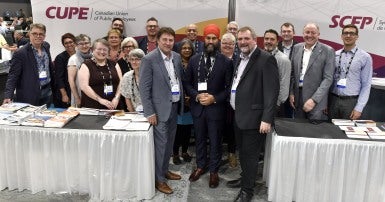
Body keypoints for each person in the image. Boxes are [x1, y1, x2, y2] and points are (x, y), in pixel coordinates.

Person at [230, 26, 279, 202]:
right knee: (242, 153)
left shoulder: (266, 59)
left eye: (246, 39)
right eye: (240, 39)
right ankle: (245, 179)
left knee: (250, 156)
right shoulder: (239, 58)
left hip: (255, 118)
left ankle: (247, 191)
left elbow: (272, 92)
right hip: (238, 115)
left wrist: (267, 119)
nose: (242, 42)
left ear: (254, 39)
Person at [184, 24, 233, 188]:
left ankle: (213, 171)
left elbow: (228, 88)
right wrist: (197, 96)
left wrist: (214, 98)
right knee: (199, 139)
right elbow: (187, 83)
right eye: (208, 38)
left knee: (215, 141)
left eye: (213, 38)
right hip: (198, 109)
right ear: (203, 39)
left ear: (218, 40)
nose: (210, 41)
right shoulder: (194, 59)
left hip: (216, 109)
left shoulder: (226, 62)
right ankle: (200, 166)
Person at [139, 27, 184, 194]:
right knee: (161, 146)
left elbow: (177, 80)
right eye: (164, 39)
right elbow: (144, 89)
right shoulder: (149, 59)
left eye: (171, 40)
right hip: (158, 111)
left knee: (169, 144)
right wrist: (149, 112)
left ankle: (165, 170)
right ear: (157, 40)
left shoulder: (177, 57)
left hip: (174, 106)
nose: (168, 43)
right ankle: (159, 180)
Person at [289, 23, 335, 121]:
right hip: (297, 98)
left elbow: (328, 79)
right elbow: (292, 74)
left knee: (314, 133)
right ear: (303, 33)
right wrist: (291, 93)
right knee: (298, 130)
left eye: (313, 33)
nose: (309, 35)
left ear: (318, 34)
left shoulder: (328, 51)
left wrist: (314, 100)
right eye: (307, 32)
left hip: (316, 102)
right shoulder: (296, 48)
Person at [3, 23, 54, 106]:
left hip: (47, 91)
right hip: (29, 94)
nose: (38, 36)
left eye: (41, 34)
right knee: (31, 118)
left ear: (44, 36)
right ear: (29, 34)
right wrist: (8, 96)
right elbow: (13, 76)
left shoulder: (46, 46)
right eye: (35, 33)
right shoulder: (20, 53)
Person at [329, 24, 372, 120]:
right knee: (331, 131)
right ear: (341, 36)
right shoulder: (335, 55)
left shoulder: (365, 57)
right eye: (346, 33)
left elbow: (366, 85)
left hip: (351, 102)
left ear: (357, 37)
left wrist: (359, 108)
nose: (348, 36)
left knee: (347, 132)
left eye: (352, 33)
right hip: (333, 100)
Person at [78, 38, 122, 109]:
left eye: (105, 50)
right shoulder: (86, 65)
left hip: (114, 104)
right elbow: (84, 86)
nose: (102, 52)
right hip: (93, 106)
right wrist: (100, 100)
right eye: (99, 49)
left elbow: (121, 82)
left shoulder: (114, 64)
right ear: (93, 50)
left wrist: (116, 98)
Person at [172, 38, 194, 165]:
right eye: (184, 48)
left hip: (191, 102)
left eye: (189, 48)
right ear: (179, 50)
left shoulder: (196, 62)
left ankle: (184, 151)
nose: (186, 50)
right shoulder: (175, 63)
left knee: (187, 130)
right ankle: (175, 153)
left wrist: (191, 97)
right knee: (177, 130)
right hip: (178, 102)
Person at [220, 32, 238, 168]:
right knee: (217, 128)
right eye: (224, 43)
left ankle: (232, 153)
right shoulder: (215, 58)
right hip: (217, 99)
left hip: (233, 101)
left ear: (234, 45)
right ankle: (217, 154)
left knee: (232, 128)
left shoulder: (239, 60)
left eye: (230, 43)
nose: (227, 45)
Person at [263, 29, 291, 113]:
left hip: (274, 104)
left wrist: (277, 103)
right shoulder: (260, 56)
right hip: (260, 103)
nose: (269, 41)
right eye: (266, 39)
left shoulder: (283, 59)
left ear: (277, 42)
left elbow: (284, 84)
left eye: (272, 39)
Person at [67, 34, 92, 107]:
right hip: (80, 94)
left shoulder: (94, 56)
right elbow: (71, 80)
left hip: (93, 93)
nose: (84, 46)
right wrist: (77, 98)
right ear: (76, 45)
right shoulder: (73, 59)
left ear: (90, 44)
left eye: (86, 43)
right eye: (81, 44)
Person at [53, 33, 76, 108]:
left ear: (75, 43)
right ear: (63, 45)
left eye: (71, 42)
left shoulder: (79, 55)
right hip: (65, 91)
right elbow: (59, 78)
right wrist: (64, 95)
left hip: (76, 91)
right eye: (66, 43)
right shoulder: (60, 58)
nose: (69, 44)